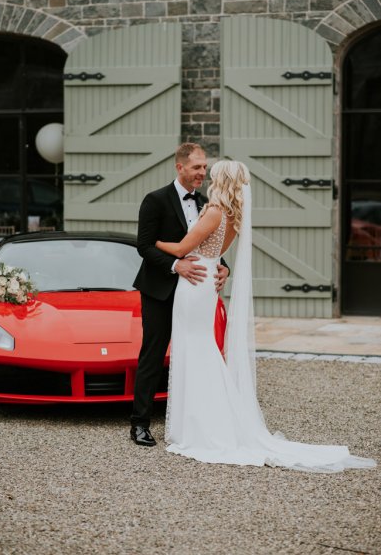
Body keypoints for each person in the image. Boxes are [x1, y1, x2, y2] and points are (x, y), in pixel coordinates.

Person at [154, 159, 376, 472]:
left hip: (194, 284)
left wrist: (154, 242)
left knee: (195, 348)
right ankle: (201, 420)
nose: (208, 179)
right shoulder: (232, 214)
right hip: (205, 282)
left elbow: (181, 249)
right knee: (200, 347)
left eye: (213, 175)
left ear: (221, 182)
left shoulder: (214, 211)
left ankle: (201, 426)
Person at [131, 143, 229, 447]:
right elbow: (144, 246)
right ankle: (140, 424)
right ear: (180, 167)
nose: (203, 173)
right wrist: (176, 265)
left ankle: (193, 422)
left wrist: (225, 268)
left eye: (205, 167)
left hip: (196, 292)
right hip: (160, 289)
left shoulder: (206, 203)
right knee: (153, 353)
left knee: (195, 350)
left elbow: (208, 245)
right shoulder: (155, 200)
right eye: (197, 167)